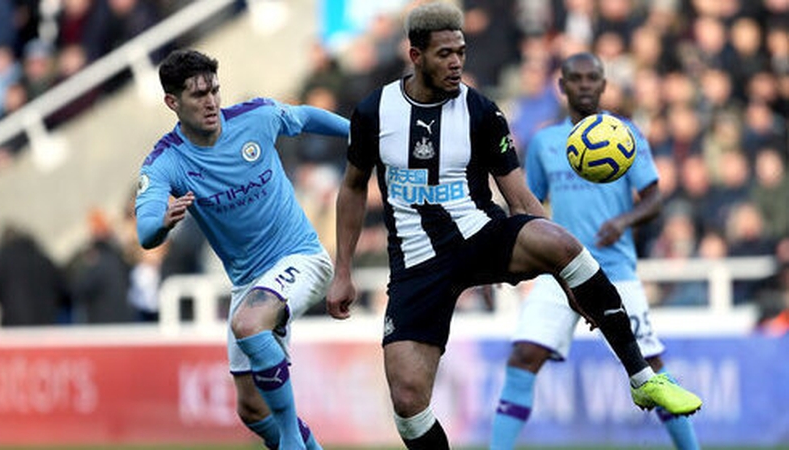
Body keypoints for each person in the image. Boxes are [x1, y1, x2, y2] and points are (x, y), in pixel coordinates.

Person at [325, 4, 702, 449]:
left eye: (461, 52)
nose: (456, 63)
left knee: (561, 242)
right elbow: (352, 188)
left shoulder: (482, 112)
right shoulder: (374, 111)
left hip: (479, 235)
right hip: (416, 261)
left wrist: (565, 277)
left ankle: (642, 378)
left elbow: (520, 197)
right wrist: (343, 270)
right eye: (444, 54)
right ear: (415, 55)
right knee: (408, 403)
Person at [134, 49, 349, 450]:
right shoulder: (166, 161)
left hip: (301, 257)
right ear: (172, 103)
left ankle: (290, 439)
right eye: (198, 95)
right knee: (251, 409)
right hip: (248, 283)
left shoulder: (256, 118)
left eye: (214, 90)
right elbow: (145, 228)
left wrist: (357, 132)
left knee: (249, 325)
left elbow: (304, 117)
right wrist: (161, 224)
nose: (212, 101)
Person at [490, 52, 700, 449]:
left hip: (615, 269)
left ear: (604, 85)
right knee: (523, 357)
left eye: (593, 78)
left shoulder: (626, 135)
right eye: (577, 78)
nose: (585, 84)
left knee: (650, 368)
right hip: (559, 270)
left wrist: (623, 221)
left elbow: (654, 198)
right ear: (563, 86)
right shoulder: (545, 142)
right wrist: (506, 260)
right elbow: (528, 205)